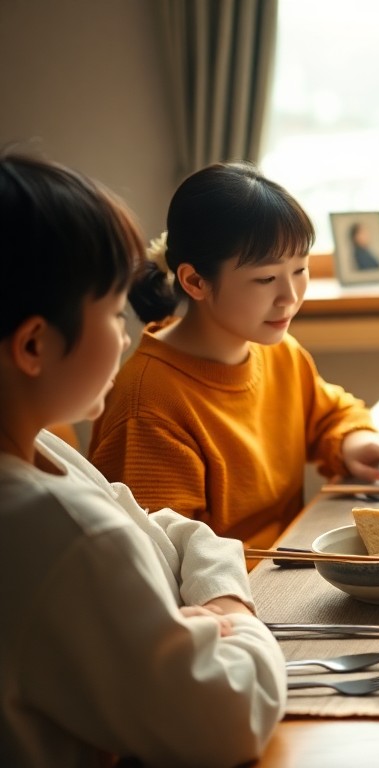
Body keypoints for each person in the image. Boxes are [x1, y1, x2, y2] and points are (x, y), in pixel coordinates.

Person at [0, 152, 285, 767]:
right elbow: (230, 717)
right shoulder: (59, 531)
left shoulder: (41, 449)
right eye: (111, 312)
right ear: (34, 344)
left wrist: (213, 588)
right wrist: (237, 611)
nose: (129, 333)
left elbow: (160, 530)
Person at [88, 163, 379, 550]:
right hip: (230, 585)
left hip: (287, 561)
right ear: (195, 281)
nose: (290, 297)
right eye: (266, 278)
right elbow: (162, 559)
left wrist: (354, 441)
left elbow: (330, 413)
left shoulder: (278, 351)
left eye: (300, 269)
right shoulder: (148, 407)